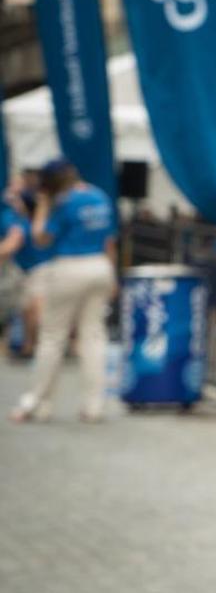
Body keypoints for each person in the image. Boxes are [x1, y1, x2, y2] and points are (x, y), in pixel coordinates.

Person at [9, 159, 116, 423]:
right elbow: (109, 239)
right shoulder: (98, 196)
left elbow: (41, 237)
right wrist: (112, 275)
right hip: (100, 265)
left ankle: (37, 402)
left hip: (69, 266)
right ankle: (94, 405)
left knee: (52, 336)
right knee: (93, 336)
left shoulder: (65, 202)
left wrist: (43, 205)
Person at [0, 170, 52, 359]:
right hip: (26, 268)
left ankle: (42, 347)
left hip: (41, 266)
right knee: (27, 309)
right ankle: (29, 347)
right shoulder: (11, 214)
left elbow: (13, 242)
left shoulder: (23, 216)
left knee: (36, 309)